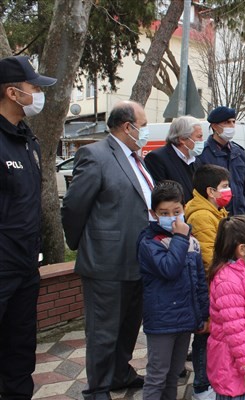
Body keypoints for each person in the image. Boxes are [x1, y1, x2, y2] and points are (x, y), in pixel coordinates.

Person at [62, 100, 151, 399]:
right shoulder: (96, 154)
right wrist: (84, 245)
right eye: (144, 124)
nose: (145, 131)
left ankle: (120, 373)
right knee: (103, 332)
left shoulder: (136, 158)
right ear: (128, 126)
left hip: (137, 259)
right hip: (106, 263)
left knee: (128, 326)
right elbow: (74, 206)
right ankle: (98, 389)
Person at [0, 55, 56, 399]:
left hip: (24, 268)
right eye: (34, 87)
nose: (39, 94)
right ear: (12, 92)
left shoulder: (27, 139)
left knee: (20, 353)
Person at [137, 181, 209, 400]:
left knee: (174, 374)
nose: (172, 217)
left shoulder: (191, 241)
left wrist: (203, 315)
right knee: (157, 375)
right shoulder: (149, 242)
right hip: (162, 321)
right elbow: (169, 269)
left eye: (177, 211)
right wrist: (179, 237)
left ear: (184, 208)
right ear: (154, 214)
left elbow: (199, 281)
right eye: (164, 213)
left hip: (185, 318)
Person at [184, 164, 230, 400]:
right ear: (211, 191)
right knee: (204, 337)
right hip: (210, 285)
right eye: (224, 187)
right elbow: (209, 255)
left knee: (211, 337)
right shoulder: (202, 216)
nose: (228, 191)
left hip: (216, 281)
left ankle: (209, 381)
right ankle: (201, 387)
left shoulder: (215, 211)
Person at [207, 216, 245, 399]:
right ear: (241, 249)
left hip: (236, 361)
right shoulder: (228, 280)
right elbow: (235, 331)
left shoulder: (239, 272)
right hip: (232, 365)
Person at [199, 106, 245, 215]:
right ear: (215, 126)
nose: (232, 126)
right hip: (216, 216)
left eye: (233, 122)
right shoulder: (203, 154)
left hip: (240, 216)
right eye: (227, 122)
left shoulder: (239, 153)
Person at [144, 116, 204, 203]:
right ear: (182, 139)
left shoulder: (196, 161)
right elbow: (163, 196)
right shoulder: (157, 159)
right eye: (199, 137)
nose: (202, 140)